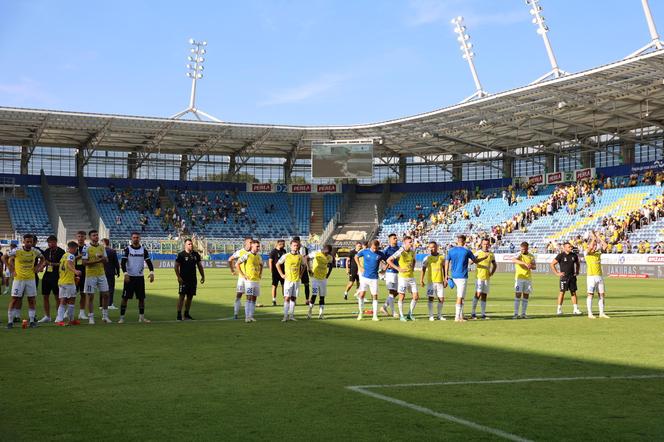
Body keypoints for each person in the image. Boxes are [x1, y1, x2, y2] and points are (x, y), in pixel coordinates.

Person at [6, 234, 44, 329]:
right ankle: (10, 322)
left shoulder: (35, 251)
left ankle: (31, 321)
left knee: (31, 300)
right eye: (27, 241)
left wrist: (37, 267)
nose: (29, 243)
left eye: (31, 241)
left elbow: (43, 259)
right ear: (23, 241)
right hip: (19, 279)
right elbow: (4, 257)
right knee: (14, 299)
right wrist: (11, 269)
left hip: (30, 279)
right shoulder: (17, 250)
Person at [445, 235, 486, 322]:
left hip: (454, 276)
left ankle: (461, 315)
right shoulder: (467, 251)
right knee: (460, 297)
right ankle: (457, 317)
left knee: (461, 296)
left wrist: (446, 275)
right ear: (464, 242)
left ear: (457, 241)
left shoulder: (451, 251)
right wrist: (484, 258)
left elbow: (447, 262)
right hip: (462, 276)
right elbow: (475, 261)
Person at [119, 232, 155, 324]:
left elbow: (149, 262)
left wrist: (151, 272)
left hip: (139, 277)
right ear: (131, 239)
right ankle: (122, 318)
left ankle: (141, 317)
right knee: (125, 298)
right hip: (129, 277)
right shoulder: (127, 249)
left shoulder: (143, 250)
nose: (135, 239)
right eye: (134, 237)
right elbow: (123, 262)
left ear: (140, 239)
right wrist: (125, 273)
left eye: (137, 237)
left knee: (141, 298)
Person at [386, 236, 419, 321]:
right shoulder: (400, 251)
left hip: (411, 277)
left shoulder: (412, 252)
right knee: (402, 296)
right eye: (410, 242)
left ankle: (409, 314)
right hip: (403, 278)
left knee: (415, 296)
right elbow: (389, 260)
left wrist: (413, 267)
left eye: (412, 241)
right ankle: (401, 316)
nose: (411, 243)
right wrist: (398, 268)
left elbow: (414, 260)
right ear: (405, 243)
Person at [82, 230, 111, 324]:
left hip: (101, 274)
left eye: (97, 235)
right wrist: (97, 261)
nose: (96, 237)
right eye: (94, 235)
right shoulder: (86, 248)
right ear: (90, 237)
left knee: (106, 294)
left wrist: (103, 258)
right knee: (90, 296)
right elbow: (84, 262)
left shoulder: (102, 247)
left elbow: (106, 260)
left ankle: (105, 316)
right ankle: (91, 317)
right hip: (90, 275)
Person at [355, 240, 386, 321]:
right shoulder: (364, 251)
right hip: (365, 277)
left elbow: (388, 261)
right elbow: (356, 257)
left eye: (377, 248)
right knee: (361, 295)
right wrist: (360, 266)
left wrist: (384, 270)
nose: (375, 249)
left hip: (374, 278)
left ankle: (375, 316)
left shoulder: (380, 254)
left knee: (375, 296)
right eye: (374, 248)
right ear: (370, 246)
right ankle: (361, 314)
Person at [174, 238, 205, 321]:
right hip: (183, 279)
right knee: (181, 296)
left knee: (190, 297)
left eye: (191, 244)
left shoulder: (196, 254)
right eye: (189, 244)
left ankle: (186, 314)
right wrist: (178, 277)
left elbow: (199, 266)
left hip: (193, 279)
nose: (191, 245)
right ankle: (179, 315)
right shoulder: (181, 255)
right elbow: (176, 266)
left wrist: (203, 276)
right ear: (185, 245)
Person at [276, 240, 306, 322]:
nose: (295, 247)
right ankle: (285, 316)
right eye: (294, 245)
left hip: (296, 280)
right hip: (288, 280)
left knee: (293, 298)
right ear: (290, 246)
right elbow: (277, 264)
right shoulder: (286, 256)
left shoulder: (300, 257)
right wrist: (282, 274)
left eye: (297, 246)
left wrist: (301, 274)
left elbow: (304, 265)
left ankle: (291, 316)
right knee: (287, 298)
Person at [38, 235, 65, 323]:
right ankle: (47, 316)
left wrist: (51, 264)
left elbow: (62, 264)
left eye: (52, 242)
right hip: (47, 276)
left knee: (57, 297)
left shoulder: (61, 251)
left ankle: (59, 315)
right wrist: (41, 267)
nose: (51, 244)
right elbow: (45, 262)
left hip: (57, 276)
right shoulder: (47, 251)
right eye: (49, 243)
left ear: (56, 242)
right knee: (45, 296)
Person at [550, 241, 582, 316]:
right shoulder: (560, 255)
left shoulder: (574, 255)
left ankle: (575, 309)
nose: (571, 248)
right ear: (564, 248)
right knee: (562, 292)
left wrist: (577, 271)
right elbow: (552, 264)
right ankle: (559, 309)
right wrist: (557, 273)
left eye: (571, 247)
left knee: (573, 292)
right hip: (564, 277)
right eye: (569, 247)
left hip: (572, 277)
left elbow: (578, 263)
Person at [54, 241, 82, 326]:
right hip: (69, 282)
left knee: (62, 301)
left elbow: (64, 267)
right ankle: (71, 320)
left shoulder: (64, 255)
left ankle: (58, 320)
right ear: (73, 248)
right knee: (71, 301)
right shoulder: (71, 255)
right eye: (76, 249)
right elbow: (69, 264)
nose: (76, 250)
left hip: (62, 281)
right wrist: (75, 271)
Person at [420, 241, 447, 321]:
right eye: (430, 247)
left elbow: (444, 268)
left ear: (437, 247)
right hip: (430, 282)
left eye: (433, 247)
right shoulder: (426, 258)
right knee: (431, 298)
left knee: (441, 299)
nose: (432, 248)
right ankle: (431, 315)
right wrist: (421, 280)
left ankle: (439, 315)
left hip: (440, 281)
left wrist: (446, 278)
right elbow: (423, 269)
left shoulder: (442, 257)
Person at [236, 240, 262, 323]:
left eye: (259, 246)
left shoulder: (258, 256)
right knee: (249, 298)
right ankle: (247, 317)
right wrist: (243, 275)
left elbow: (261, 265)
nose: (258, 248)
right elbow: (237, 264)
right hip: (249, 281)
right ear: (252, 246)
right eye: (257, 246)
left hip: (256, 280)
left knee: (254, 298)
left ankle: (251, 316)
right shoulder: (247, 255)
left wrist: (260, 274)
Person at [585, 231, 609, 319]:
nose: (594, 246)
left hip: (599, 276)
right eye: (593, 245)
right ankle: (590, 313)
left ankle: (601, 313)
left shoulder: (598, 253)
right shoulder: (586, 253)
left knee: (601, 294)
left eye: (596, 245)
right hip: (591, 277)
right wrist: (593, 238)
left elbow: (605, 246)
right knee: (590, 294)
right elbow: (590, 247)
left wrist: (599, 238)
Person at [471, 238, 496, 320]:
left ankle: (483, 314)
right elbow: (471, 262)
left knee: (484, 295)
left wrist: (492, 273)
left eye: (487, 244)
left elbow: (495, 264)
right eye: (484, 244)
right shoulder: (478, 252)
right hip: (479, 277)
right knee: (478, 294)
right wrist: (482, 258)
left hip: (487, 277)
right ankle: (473, 313)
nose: (486, 245)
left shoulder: (491, 254)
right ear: (481, 244)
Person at [306, 245, 334, 319]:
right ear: (324, 249)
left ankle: (321, 314)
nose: (326, 254)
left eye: (328, 253)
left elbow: (331, 265)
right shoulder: (316, 253)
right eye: (326, 252)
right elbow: (307, 258)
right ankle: (310, 311)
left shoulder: (329, 257)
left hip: (323, 280)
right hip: (315, 279)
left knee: (322, 297)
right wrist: (309, 269)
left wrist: (328, 274)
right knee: (314, 295)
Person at [228, 237, 252, 320]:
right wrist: (232, 270)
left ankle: (248, 315)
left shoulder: (253, 252)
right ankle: (235, 313)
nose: (251, 244)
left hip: (250, 279)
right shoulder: (240, 252)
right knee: (239, 295)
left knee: (249, 296)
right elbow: (230, 259)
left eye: (252, 242)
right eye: (249, 242)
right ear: (245, 243)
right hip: (242, 278)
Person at [512, 242, 536, 319]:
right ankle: (515, 313)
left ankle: (523, 313)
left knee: (526, 296)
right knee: (518, 295)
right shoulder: (518, 254)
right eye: (522, 249)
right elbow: (514, 260)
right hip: (519, 278)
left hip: (528, 278)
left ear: (527, 248)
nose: (523, 250)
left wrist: (531, 266)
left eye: (524, 249)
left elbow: (535, 267)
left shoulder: (531, 256)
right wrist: (524, 263)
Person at [379, 234, 400, 318]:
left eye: (396, 238)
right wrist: (385, 266)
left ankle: (384, 307)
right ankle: (394, 312)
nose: (396, 239)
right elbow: (380, 258)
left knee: (397, 292)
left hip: (398, 272)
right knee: (391, 292)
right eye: (394, 238)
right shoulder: (387, 249)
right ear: (390, 240)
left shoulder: (399, 249)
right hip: (390, 273)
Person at [102, 238, 120, 309]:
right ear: (108, 243)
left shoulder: (100, 251)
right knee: (111, 288)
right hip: (110, 272)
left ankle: (101, 304)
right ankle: (110, 304)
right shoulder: (112, 251)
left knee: (102, 288)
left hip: (101, 272)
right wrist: (118, 271)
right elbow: (116, 263)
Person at [74, 231, 88, 320]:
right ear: (76, 237)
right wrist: (80, 256)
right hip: (74, 272)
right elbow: (70, 259)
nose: (80, 238)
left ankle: (82, 313)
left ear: (85, 238)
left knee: (83, 293)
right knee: (72, 293)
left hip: (85, 272)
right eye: (79, 236)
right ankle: (68, 311)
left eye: (82, 236)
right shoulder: (73, 248)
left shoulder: (87, 248)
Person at [268, 239, 286, 306]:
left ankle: (285, 299)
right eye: (283, 244)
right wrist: (271, 270)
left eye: (284, 244)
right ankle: (274, 300)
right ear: (279, 243)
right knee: (274, 285)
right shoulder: (273, 251)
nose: (284, 245)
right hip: (275, 272)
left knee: (284, 285)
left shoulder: (284, 251)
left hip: (283, 271)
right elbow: (270, 261)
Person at [293, 236, 311, 305]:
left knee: (306, 284)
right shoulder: (292, 249)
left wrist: (309, 268)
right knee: (295, 285)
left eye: (296, 242)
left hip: (304, 268)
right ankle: (294, 300)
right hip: (296, 269)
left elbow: (307, 259)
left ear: (299, 241)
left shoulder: (304, 249)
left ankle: (307, 299)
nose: (295, 244)